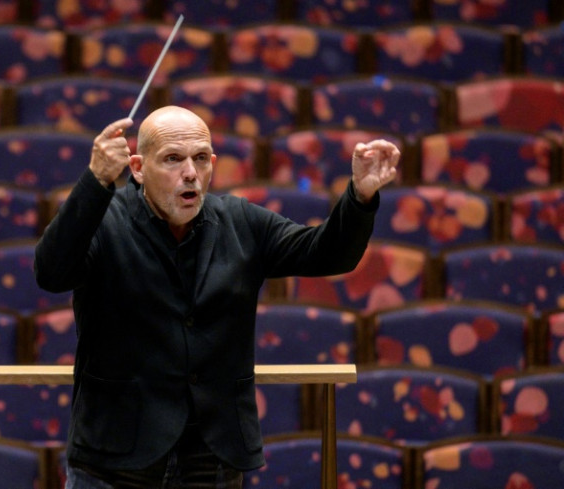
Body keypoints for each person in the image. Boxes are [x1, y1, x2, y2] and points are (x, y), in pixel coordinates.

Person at [34, 105, 399, 488]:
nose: (190, 173)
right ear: (138, 168)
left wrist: (360, 196)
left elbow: (327, 253)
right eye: (173, 159)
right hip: (113, 458)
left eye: (201, 159)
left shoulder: (240, 221)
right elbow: (51, 273)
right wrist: (96, 181)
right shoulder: (103, 221)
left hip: (211, 459)